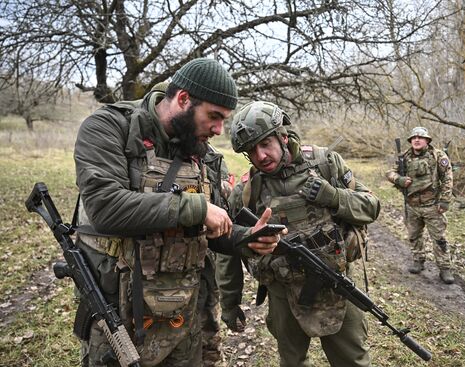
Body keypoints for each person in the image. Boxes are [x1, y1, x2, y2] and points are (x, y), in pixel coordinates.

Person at [73, 58, 281, 366]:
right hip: (121, 313)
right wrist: (195, 207)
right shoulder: (109, 128)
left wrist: (245, 239)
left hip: (188, 312)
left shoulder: (203, 155)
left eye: (224, 119)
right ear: (183, 99)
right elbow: (106, 207)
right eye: (213, 116)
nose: (218, 129)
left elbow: (214, 227)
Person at [219, 101, 381, 367]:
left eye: (265, 144)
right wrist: (230, 301)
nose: (260, 156)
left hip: (336, 284)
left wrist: (334, 196)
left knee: (353, 360)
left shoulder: (325, 163)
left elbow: (372, 207)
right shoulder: (247, 191)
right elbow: (230, 246)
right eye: (251, 150)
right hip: (282, 291)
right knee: (292, 361)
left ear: (283, 136)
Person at [385, 126, 455, 284]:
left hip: (433, 205)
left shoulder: (438, 156)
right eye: (413, 138)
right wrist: (399, 180)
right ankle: (418, 261)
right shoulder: (404, 157)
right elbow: (389, 172)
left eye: (420, 137)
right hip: (412, 205)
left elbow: (448, 178)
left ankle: (445, 268)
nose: (416, 140)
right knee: (414, 236)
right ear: (410, 141)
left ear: (427, 140)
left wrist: (445, 200)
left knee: (439, 239)